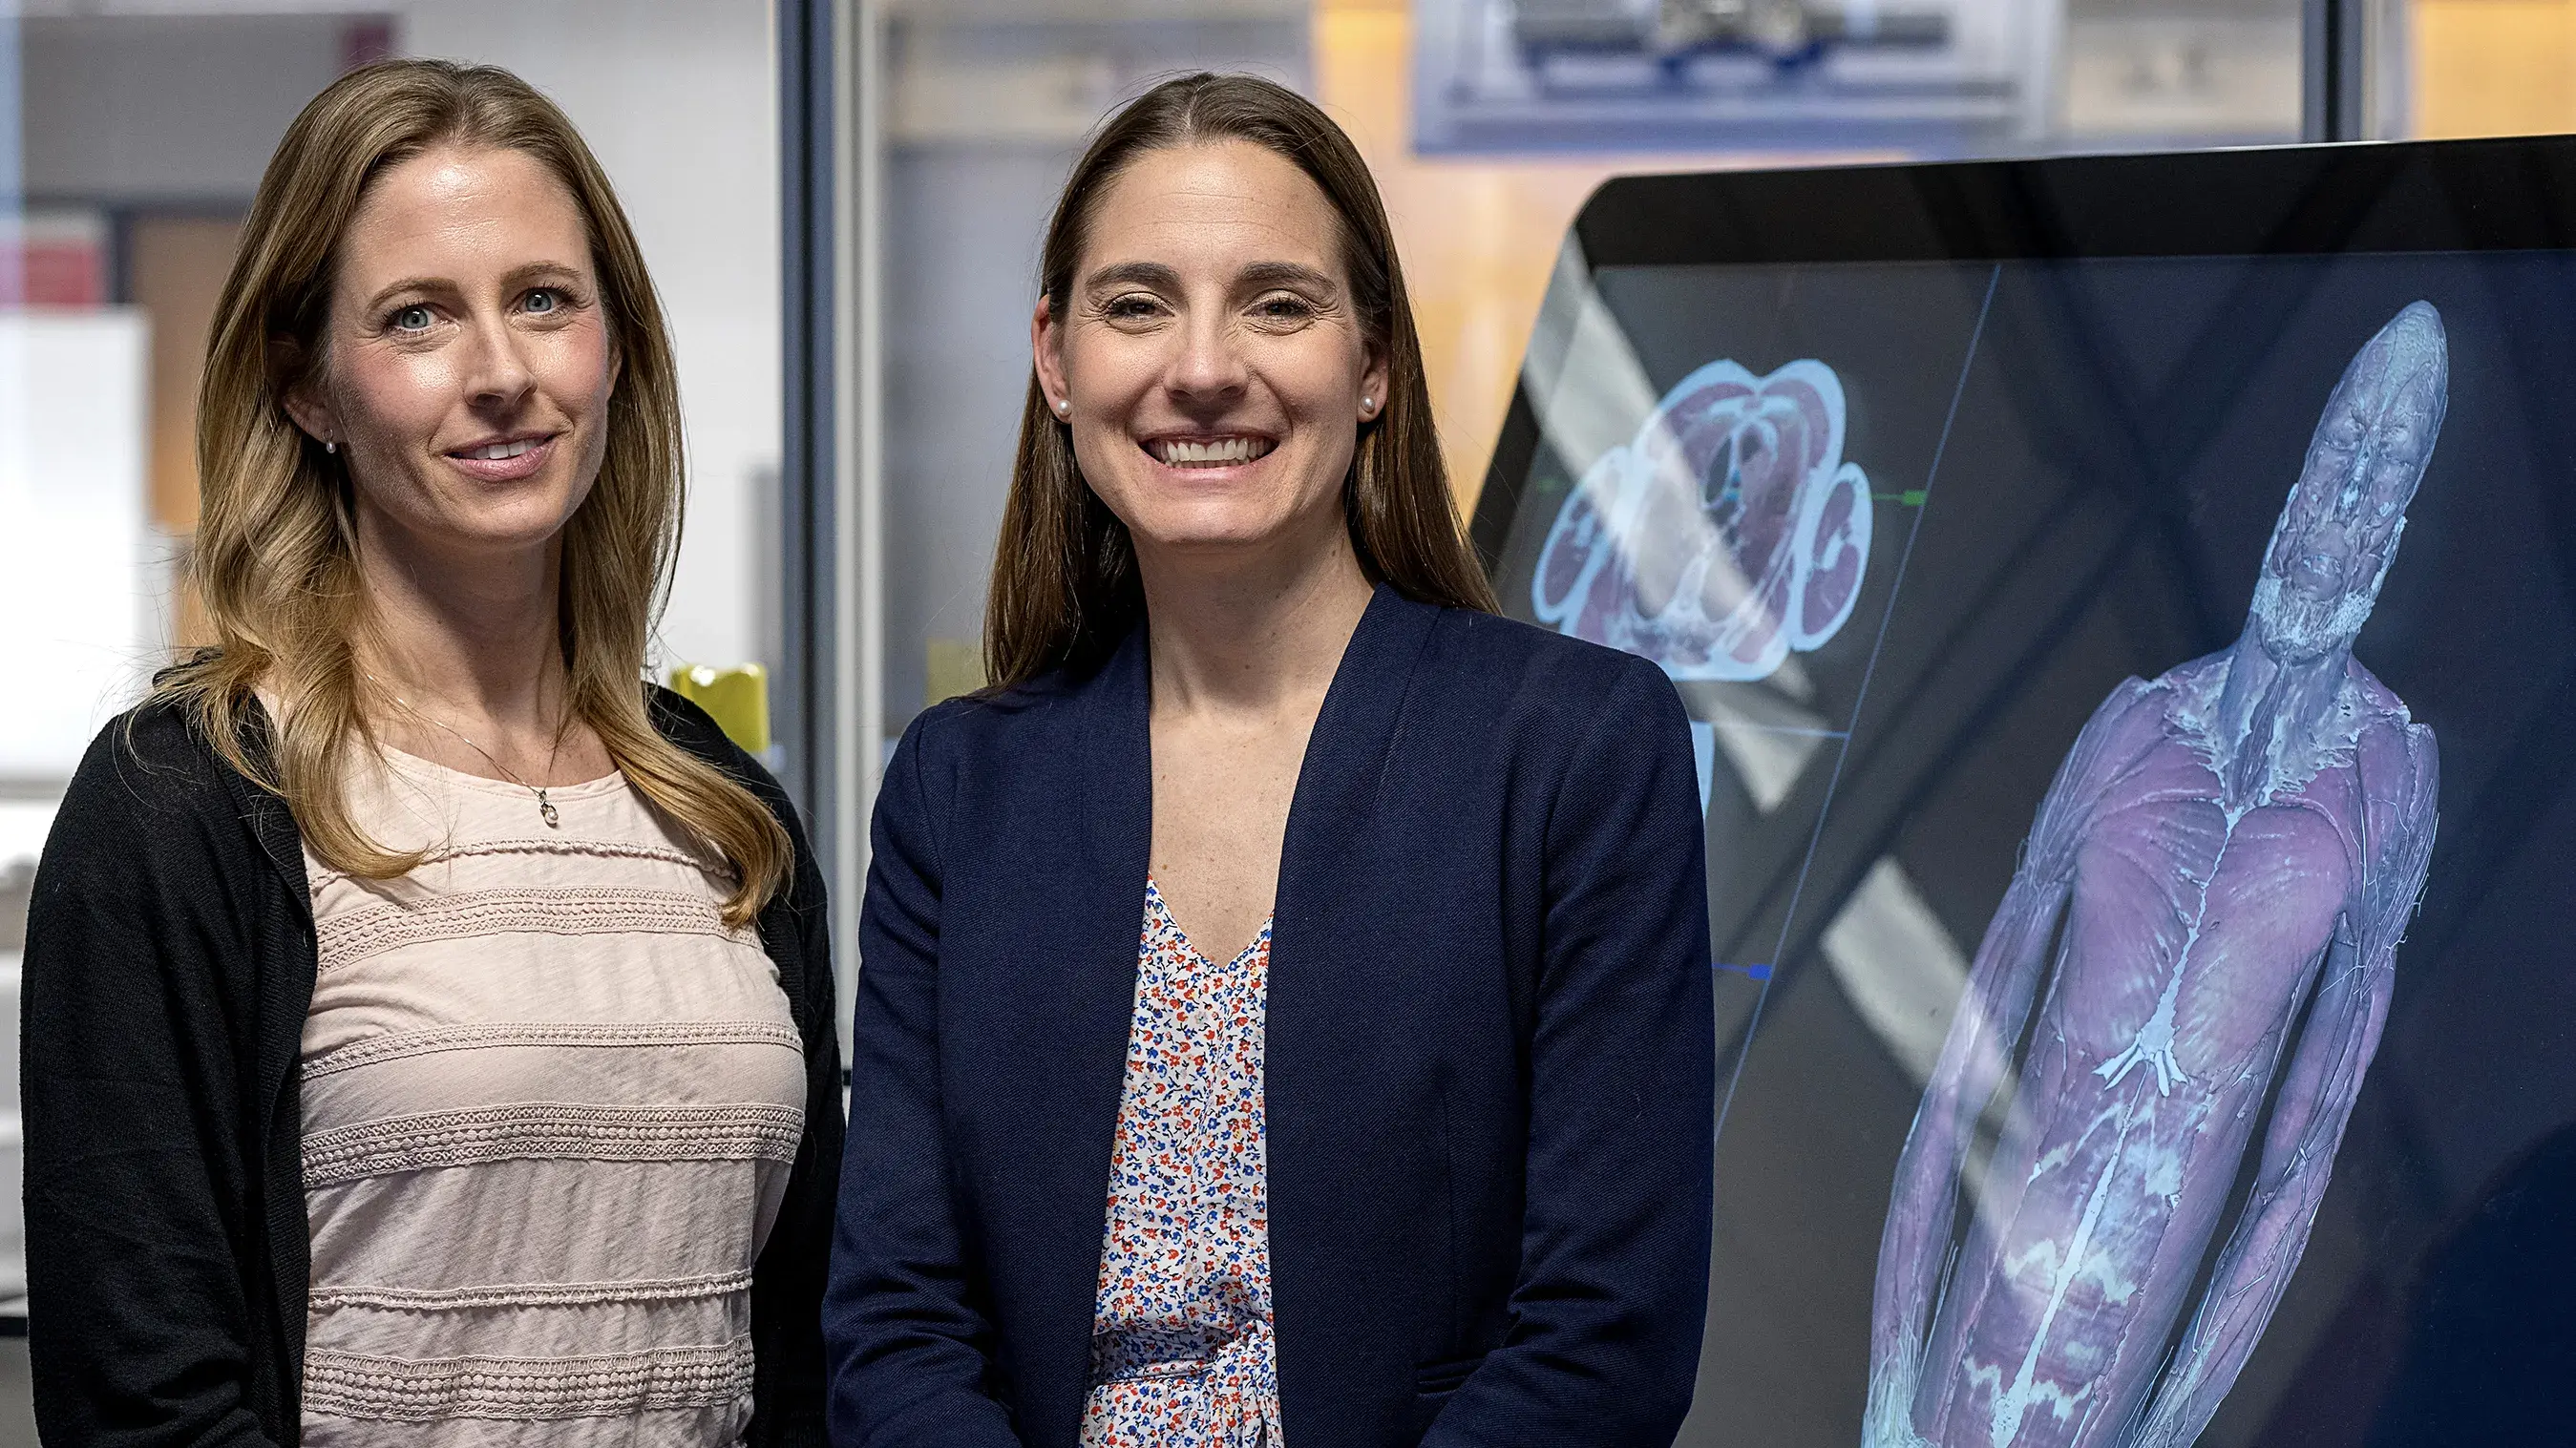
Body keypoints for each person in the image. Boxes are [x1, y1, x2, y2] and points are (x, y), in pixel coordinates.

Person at [825, 73, 1715, 1448]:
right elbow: (896, 1325)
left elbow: (1606, 1335)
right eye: (1136, 305)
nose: (1201, 367)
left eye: (1276, 302)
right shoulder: (960, 786)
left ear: (1370, 364)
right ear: (1056, 362)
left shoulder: (1574, 749)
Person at [22, 60, 838, 1447]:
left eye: (542, 299)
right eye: (417, 318)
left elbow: (804, 1353)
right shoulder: (186, 803)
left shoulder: (725, 812)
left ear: (614, 345)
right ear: (309, 387)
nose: (502, 375)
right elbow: (141, 1400)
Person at [1864, 304, 2446, 1448]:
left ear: (2397, 526)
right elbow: (1955, 1080)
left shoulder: (2386, 780)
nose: (2343, 505)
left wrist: (2166, 1433)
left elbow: (2299, 1163)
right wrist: (1888, 1384)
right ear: (2291, 487)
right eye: (2337, 460)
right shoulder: (2134, 729)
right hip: (1944, 1390)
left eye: (2378, 480)